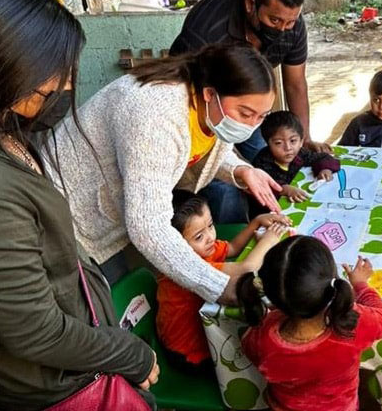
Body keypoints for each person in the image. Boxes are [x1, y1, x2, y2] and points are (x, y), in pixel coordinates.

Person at [0, 0, 158, 410]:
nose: (66, 88)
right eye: (49, 80)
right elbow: (37, 332)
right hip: (59, 387)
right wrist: (129, 352)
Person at [43, 44, 283, 305]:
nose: (251, 125)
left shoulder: (209, 105)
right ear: (209, 94)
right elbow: (148, 227)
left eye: (261, 117)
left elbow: (200, 143)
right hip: (71, 212)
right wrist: (220, 286)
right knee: (110, 303)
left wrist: (240, 169)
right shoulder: (155, 115)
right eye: (246, 114)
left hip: (120, 208)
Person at [170, 0, 331, 222]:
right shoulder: (207, 28)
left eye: (290, 22)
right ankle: (229, 245)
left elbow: (296, 84)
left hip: (245, 109)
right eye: (275, 21)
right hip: (204, 114)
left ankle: (261, 224)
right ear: (250, 4)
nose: (283, 29)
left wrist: (305, 136)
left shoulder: (291, 25)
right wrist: (222, 157)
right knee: (224, 189)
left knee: (264, 162)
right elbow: (183, 95)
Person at [237, 237, 382, 411]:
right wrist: (360, 285)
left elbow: (248, 346)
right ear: (332, 283)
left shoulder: (261, 333)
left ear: (272, 295)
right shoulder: (351, 322)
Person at [156, 190, 289, 372]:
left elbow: (233, 248)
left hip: (186, 337)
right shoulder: (187, 267)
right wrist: (269, 240)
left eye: (210, 225)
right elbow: (246, 268)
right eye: (199, 237)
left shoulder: (202, 249)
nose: (210, 237)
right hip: (189, 355)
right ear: (176, 246)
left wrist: (256, 222)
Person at [252, 110, 341, 205]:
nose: (288, 148)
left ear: (301, 141)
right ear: (267, 143)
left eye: (293, 141)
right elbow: (260, 185)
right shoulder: (262, 161)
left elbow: (322, 157)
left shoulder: (300, 154)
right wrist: (284, 189)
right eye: (278, 143)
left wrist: (325, 169)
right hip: (269, 210)